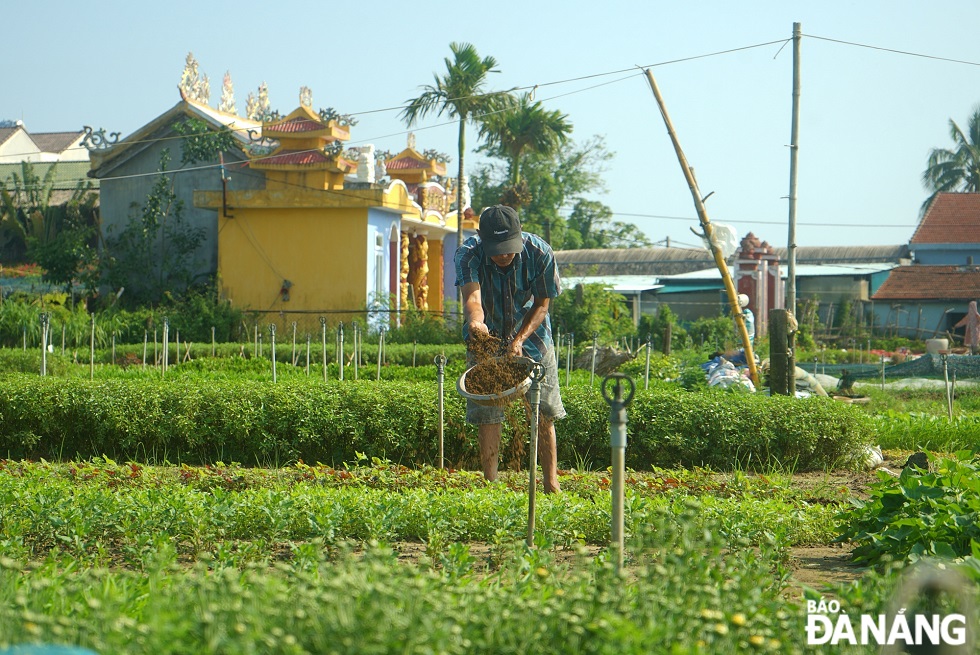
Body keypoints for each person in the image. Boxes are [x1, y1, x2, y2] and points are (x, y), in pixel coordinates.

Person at [455, 204, 565, 493]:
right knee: (488, 413)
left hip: (534, 338)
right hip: (487, 341)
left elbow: (543, 303)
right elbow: (473, 298)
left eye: (509, 247)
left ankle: (550, 483)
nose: (504, 254)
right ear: (482, 238)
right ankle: (491, 483)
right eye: (498, 248)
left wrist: (518, 340)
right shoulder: (468, 254)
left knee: (542, 410)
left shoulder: (540, 252)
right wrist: (477, 324)